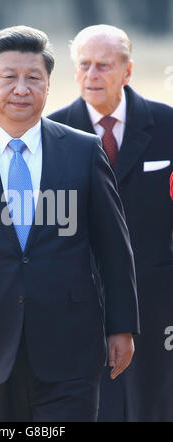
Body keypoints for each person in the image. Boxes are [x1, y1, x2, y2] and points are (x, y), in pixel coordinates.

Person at [0, 25, 139, 422]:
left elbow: (113, 245)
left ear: (49, 85)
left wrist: (121, 326)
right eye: (9, 77)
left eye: (33, 78)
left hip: (72, 341)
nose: (21, 89)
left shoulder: (83, 151)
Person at [48, 24, 173, 422]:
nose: (91, 75)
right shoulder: (51, 133)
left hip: (159, 302)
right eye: (83, 65)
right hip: (83, 304)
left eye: (103, 65)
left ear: (128, 71)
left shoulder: (168, 125)